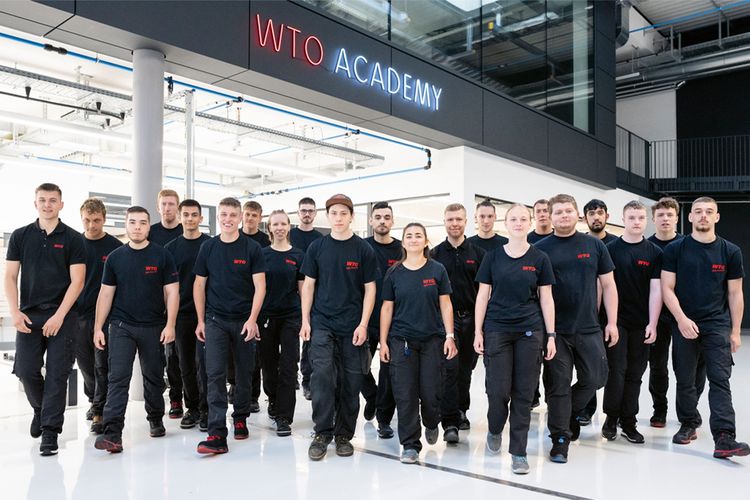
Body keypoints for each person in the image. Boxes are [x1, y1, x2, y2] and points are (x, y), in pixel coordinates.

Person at [661, 196, 749, 459]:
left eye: (709, 212)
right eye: (698, 211)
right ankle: (689, 423)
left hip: (717, 324)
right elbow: (667, 288)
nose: (703, 215)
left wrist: (735, 331)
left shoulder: (730, 251)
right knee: (685, 378)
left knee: (720, 379)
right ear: (689, 217)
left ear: (717, 217)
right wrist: (681, 319)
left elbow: (735, 293)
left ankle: (724, 436)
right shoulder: (675, 249)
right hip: (684, 322)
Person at [474, 204, 556, 474]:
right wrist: (478, 331)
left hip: (529, 331)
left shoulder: (540, 258)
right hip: (497, 329)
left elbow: (546, 298)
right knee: (498, 391)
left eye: (523, 219)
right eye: (513, 219)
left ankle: (519, 452)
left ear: (529, 223)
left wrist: (551, 335)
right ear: (506, 223)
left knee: (524, 393)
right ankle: (495, 427)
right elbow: (482, 295)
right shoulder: (493, 257)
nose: (518, 223)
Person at [535, 194, 618, 464]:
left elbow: (608, 285)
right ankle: (560, 439)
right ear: (550, 216)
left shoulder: (594, 245)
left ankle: (566, 412)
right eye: (558, 212)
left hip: (589, 327)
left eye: (568, 211)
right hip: (555, 331)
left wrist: (612, 322)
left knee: (596, 379)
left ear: (577, 215)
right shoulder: (540, 249)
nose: (563, 216)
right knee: (558, 385)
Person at [5, 183, 85, 456]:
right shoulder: (20, 236)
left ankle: (50, 432)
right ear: (35, 203)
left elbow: (77, 282)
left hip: (63, 315)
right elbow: (10, 276)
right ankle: (41, 411)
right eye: (43, 200)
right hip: (29, 315)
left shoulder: (73, 238)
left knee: (57, 374)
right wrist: (14, 312)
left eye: (52, 200)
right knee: (26, 370)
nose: (47, 204)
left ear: (61, 204)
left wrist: (59, 316)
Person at [93, 206, 179, 453]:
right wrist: (98, 327)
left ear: (149, 226)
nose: (137, 227)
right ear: (126, 225)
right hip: (121, 326)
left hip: (153, 326)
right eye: (133, 222)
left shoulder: (162, 255)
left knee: (153, 376)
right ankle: (113, 433)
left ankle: (155, 418)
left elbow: (173, 291)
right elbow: (105, 294)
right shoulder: (115, 258)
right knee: (118, 378)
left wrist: (170, 324)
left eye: (142, 222)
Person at [300, 193, 377, 461]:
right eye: (334, 213)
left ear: (351, 216)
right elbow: (308, 286)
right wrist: (306, 320)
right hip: (322, 323)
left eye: (344, 213)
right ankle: (322, 432)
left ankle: (344, 435)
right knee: (322, 377)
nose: (339, 218)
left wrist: (364, 324)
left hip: (352, 326)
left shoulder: (363, 250)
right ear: (328, 216)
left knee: (350, 381)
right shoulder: (317, 248)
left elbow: (370, 289)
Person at [380, 222, 457, 464]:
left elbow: (445, 304)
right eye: (409, 236)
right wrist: (383, 342)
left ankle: (432, 422)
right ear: (403, 242)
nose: (413, 239)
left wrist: (450, 336)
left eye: (418, 235)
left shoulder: (437, 270)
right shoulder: (394, 273)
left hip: (432, 340)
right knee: (405, 395)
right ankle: (410, 445)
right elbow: (387, 308)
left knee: (431, 392)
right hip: (402, 341)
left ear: (425, 241)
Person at [194, 197, 266, 454]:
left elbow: (260, 287)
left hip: (244, 320)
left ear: (240, 218)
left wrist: (253, 319)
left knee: (244, 372)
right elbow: (199, 285)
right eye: (223, 215)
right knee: (214, 374)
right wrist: (201, 320)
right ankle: (216, 432)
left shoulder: (252, 248)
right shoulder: (208, 247)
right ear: (218, 217)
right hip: (215, 320)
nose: (228, 219)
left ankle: (240, 418)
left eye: (233, 215)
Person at [601, 201, 662, 444]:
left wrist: (653, 323)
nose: (636, 222)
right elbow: (603, 286)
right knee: (616, 371)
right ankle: (610, 418)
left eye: (640, 218)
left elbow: (656, 290)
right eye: (632, 218)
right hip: (615, 322)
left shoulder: (655, 253)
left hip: (641, 323)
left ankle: (629, 422)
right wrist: (608, 321)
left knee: (635, 373)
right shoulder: (610, 250)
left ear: (646, 221)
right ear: (623, 220)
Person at [646, 197, 706, 428]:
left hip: (685, 315)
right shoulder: (648, 247)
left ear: (677, 218)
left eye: (670, 215)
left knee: (691, 367)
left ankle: (690, 408)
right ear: (654, 219)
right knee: (658, 366)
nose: (665, 219)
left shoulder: (688, 245)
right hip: (657, 317)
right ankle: (659, 410)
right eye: (660, 215)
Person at [431, 203, 485, 440]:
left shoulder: (478, 254)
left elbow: (485, 292)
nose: (454, 223)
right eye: (450, 219)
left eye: (459, 219)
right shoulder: (434, 255)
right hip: (446, 322)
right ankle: (450, 422)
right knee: (449, 370)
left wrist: (482, 327)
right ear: (444, 222)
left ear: (466, 222)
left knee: (466, 370)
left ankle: (462, 410)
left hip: (471, 320)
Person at [164, 200, 210, 431]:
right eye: (186, 215)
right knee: (185, 364)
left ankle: (207, 409)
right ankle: (192, 408)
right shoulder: (170, 249)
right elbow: (166, 286)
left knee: (206, 365)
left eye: (194, 215)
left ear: (201, 218)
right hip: (181, 314)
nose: (190, 218)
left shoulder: (210, 245)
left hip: (208, 314)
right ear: (180, 217)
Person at [77, 198, 122, 435]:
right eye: (87, 220)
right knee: (85, 364)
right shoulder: (74, 245)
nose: (92, 225)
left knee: (101, 364)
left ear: (104, 219)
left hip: (105, 317)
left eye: (96, 220)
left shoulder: (115, 247)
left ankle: (100, 411)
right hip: (78, 315)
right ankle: (93, 399)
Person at [259, 210, 305, 436]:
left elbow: (303, 290)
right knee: (268, 366)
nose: (279, 228)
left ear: (289, 227)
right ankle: (273, 399)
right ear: (269, 228)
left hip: (291, 317)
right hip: (266, 317)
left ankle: (284, 417)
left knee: (288, 366)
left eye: (283, 224)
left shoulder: (298, 255)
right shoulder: (262, 254)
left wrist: (306, 319)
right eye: (275, 224)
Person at [362, 202, 401, 439]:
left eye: (387, 217)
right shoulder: (362, 247)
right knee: (358, 367)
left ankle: (384, 420)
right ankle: (371, 395)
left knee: (388, 374)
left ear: (392, 221)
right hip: (365, 320)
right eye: (378, 217)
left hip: (393, 322)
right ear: (371, 221)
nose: (382, 221)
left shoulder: (401, 250)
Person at [578, 198, 618, 425]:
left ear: (607, 216)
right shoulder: (580, 243)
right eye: (591, 213)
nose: (596, 217)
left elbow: (611, 283)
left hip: (610, 315)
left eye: (600, 212)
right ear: (585, 218)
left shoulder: (615, 245)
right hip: (586, 315)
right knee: (587, 365)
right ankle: (586, 409)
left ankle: (612, 415)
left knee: (611, 368)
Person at [148, 188, 184, 420]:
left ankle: (179, 398)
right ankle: (167, 399)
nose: (168, 208)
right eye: (164, 204)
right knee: (159, 357)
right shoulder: (150, 233)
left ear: (177, 207)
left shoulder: (185, 232)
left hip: (182, 303)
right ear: (158, 206)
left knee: (179, 356)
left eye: (172, 204)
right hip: (154, 304)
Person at [291, 196, 324, 400]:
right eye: (303, 210)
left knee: (308, 339)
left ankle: (307, 380)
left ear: (315, 213)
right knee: (290, 339)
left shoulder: (320, 239)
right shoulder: (290, 235)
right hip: (290, 294)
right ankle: (291, 374)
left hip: (312, 294)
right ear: (298, 213)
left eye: (310, 210)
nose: (307, 214)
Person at [241, 200, 269, 413]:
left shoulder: (265, 242)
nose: (250, 218)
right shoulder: (233, 237)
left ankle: (253, 395)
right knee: (233, 352)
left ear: (260, 218)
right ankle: (236, 386)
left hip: (258, 305)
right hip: (235, 303)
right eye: (247, 214)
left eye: (254, 215)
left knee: (255, 353)